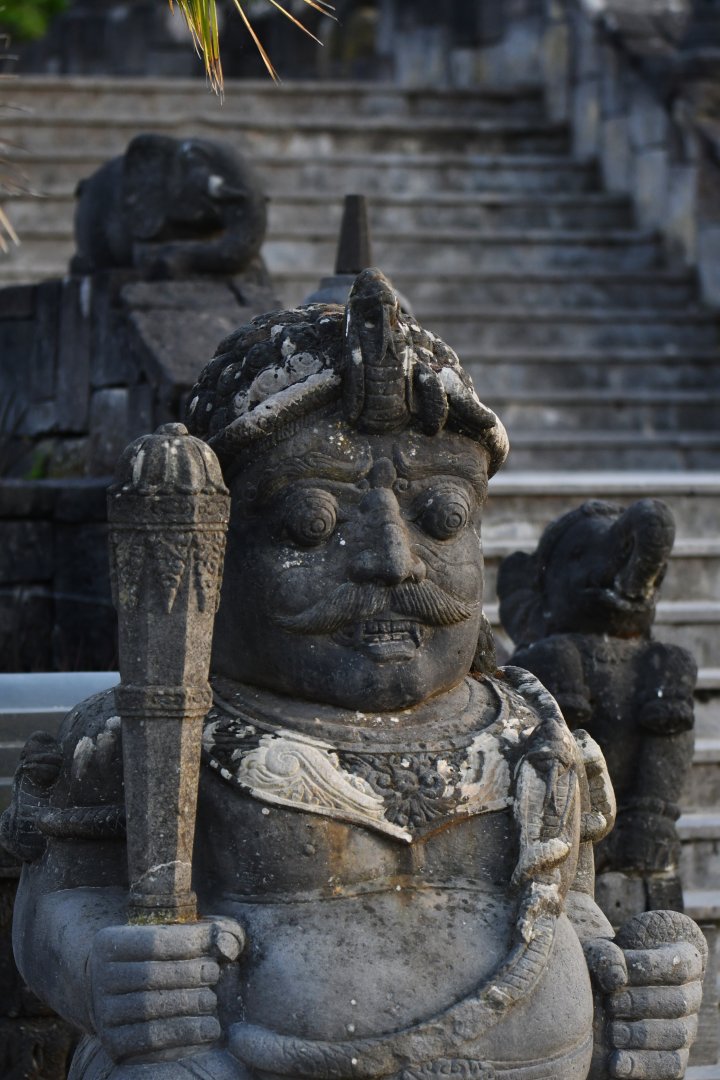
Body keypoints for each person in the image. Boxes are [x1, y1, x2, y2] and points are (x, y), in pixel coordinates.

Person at [2, 270, 705, 1080]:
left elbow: (559, 906)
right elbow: (57, 902)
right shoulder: (158, 733)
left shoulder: (530, 734)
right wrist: (102, 965)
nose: (390, 560)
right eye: (314, 519)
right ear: (218, 548)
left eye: (441, 515)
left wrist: (624, 979)